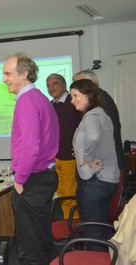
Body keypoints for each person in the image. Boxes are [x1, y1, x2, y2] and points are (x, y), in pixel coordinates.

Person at [3, 52, 59, 264]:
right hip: (43, 178)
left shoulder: (26, 101)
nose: (4, 79)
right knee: (43, 240)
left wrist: (19, 180)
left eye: (8, 73)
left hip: (32, 181)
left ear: (24, 74)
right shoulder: (40, 98)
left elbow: (30, 146)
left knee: (29, 248)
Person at [70, 79, 119, 250]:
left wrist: (86, 158)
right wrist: (82, 152)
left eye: (76, 96)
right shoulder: (101, 113)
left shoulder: (92, 115)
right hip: (106, 179)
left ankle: (96, 258)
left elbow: (93, 137)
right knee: (101, 227)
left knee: (93, 232)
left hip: (96, 179)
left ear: (89, 96)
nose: (72, 100)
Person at [72, 69, 127, 172]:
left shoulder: (102, 101)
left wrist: (84, 150)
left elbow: (97, 135)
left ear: (92, 83)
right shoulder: (98, 100)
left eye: (81, 84)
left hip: (106, 167)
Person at [47, 73, 82, 219]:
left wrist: (81, 147)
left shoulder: (73, 103)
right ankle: (68, 228)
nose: (51, 88)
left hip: (70, 159)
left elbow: (85, 128)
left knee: (69, 197)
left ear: (63, 85)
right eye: (48, 85)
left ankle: (74, 231)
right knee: (62, 195)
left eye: (54, 84)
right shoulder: (51, 105)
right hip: (57, 159)